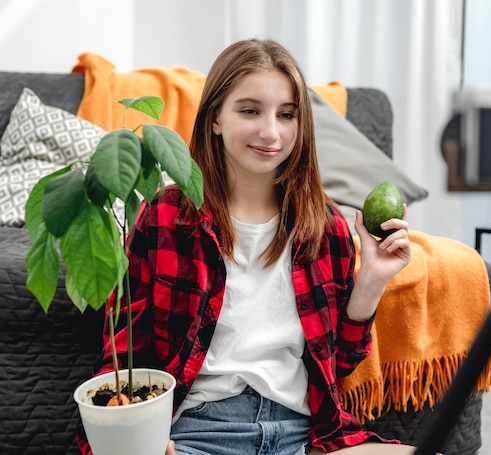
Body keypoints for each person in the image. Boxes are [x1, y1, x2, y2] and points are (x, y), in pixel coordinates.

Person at [79, 38, 420, 455]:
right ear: (216, 118)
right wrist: (130, 440)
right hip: (195, 436)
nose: (271, 132)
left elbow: (341, 364)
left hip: (306, 437)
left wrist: (371, 281)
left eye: (287, 114)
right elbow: (122, 356)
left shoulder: (325, 226)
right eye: (250, 110)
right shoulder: (165, 217)